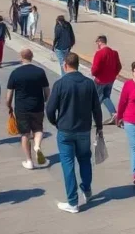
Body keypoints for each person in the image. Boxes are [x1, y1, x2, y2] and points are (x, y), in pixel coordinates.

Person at [46, 52, 104, 213]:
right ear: (78, 65)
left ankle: (73, 202)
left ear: (65, 65)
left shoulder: (60, 84)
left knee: (68, 164)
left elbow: (50, 109)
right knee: (85, 159)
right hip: (84, 129)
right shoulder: (88, 83)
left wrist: (55, 122)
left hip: (65, 130)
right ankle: (87, 190)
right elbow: (96, 108)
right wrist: (99, 126)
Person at [6, 48, 50, 169]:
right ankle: (37, 146)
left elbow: (9, 94)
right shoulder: (40, 72)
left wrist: (9, 106)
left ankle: (29, 161)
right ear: (32, 57)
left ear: (21, 57)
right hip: (37, 106)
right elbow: (47, 91)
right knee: (38, 129)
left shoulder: (15, 73)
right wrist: (45, 100)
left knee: (25, 134)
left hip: (21, 108)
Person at [91, 35, 122, 123]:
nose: (97, 44)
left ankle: (91, 119)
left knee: (96, 99)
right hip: (110, 80)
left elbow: (95, 69)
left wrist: (94, 74)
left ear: (100, 42)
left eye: (97, 42)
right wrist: (114, 74)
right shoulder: (114, 53)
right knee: (105, 96)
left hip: (100, 80)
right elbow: (119, 66)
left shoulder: (99, 53)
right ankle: (114, 114)